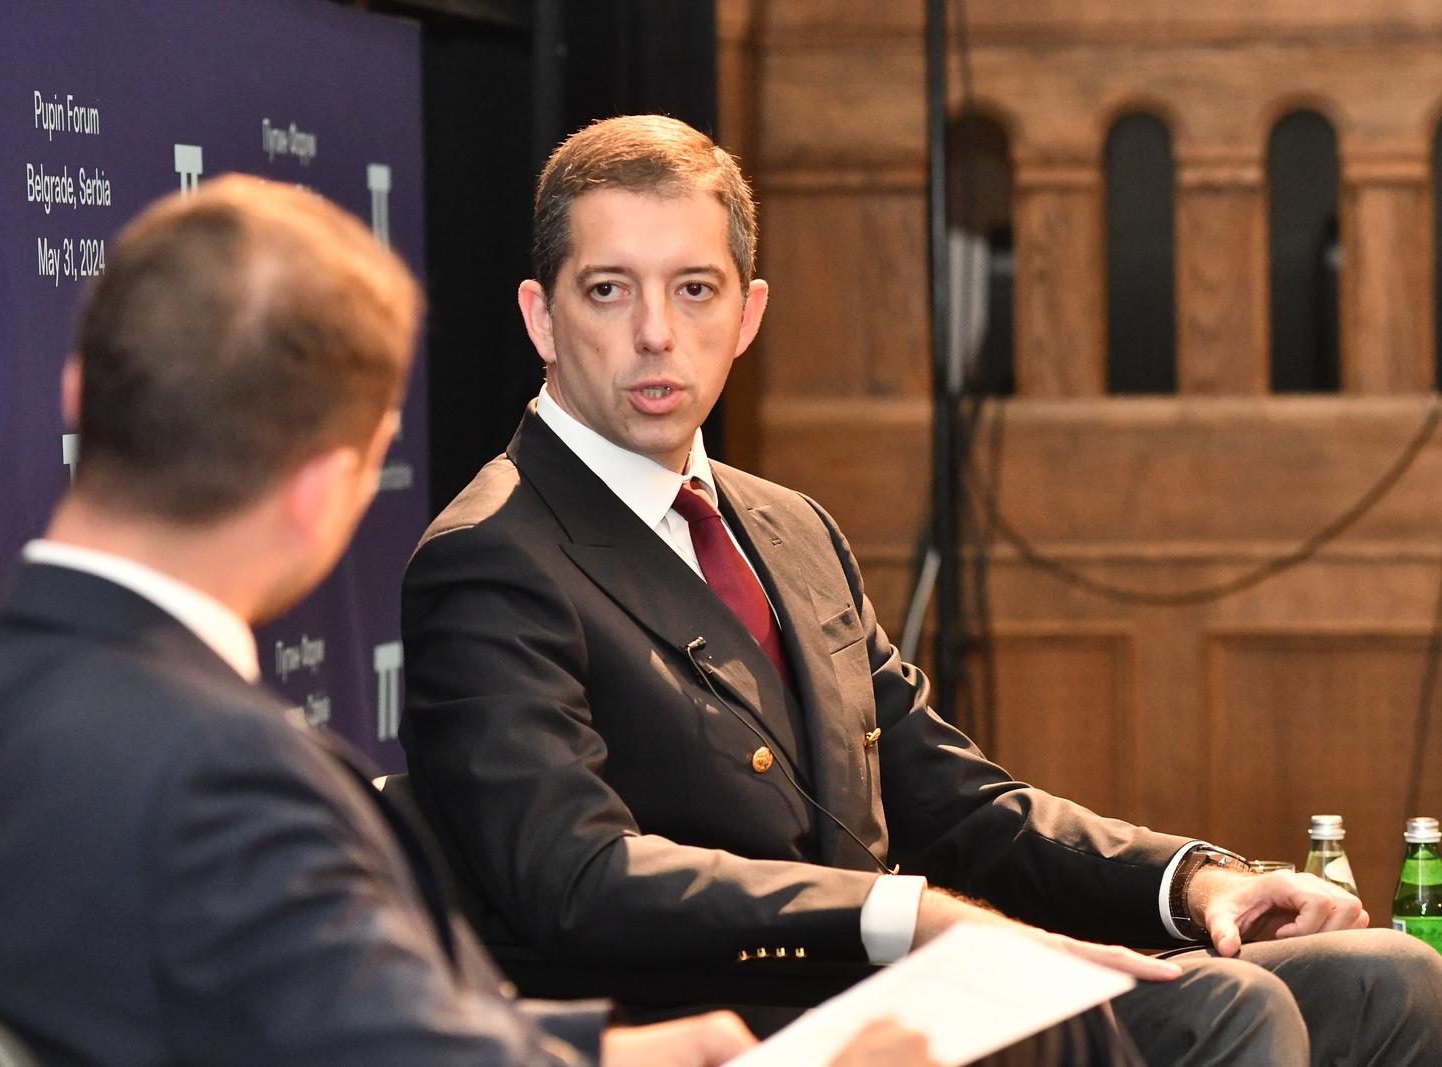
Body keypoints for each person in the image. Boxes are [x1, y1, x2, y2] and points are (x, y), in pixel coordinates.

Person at [399, 115, 1442, 1066]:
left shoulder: (788, 525)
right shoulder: (492, 556)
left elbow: (955, 802)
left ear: (748, 312)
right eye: (608, 288)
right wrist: (904, 915)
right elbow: (573, 877)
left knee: (1389, 975)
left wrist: (1193, 881)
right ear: (541, 316)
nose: (656, 333)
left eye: (694, 288)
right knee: (1230, 1010)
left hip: (914, 980)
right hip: (745, 1021)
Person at [0, 176, 929, 1067]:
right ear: (330, 491)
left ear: (80, 394)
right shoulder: (222, 777)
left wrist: (600, 1048)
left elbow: (318, 1024)